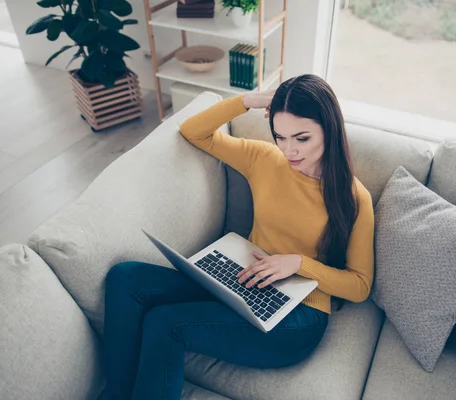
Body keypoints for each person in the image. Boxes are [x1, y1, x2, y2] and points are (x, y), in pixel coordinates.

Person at [101, 74, 375, 400]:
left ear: (329, 130)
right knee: (126, 277)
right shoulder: (265, 159)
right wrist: (248, 101)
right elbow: (193, 132)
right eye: (280, 136)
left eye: (302, 138)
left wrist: (299, 264)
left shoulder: (354, 197)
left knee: (166, 323)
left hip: (298, 316)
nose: (290, 150)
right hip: (242, 279)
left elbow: (359, 286)